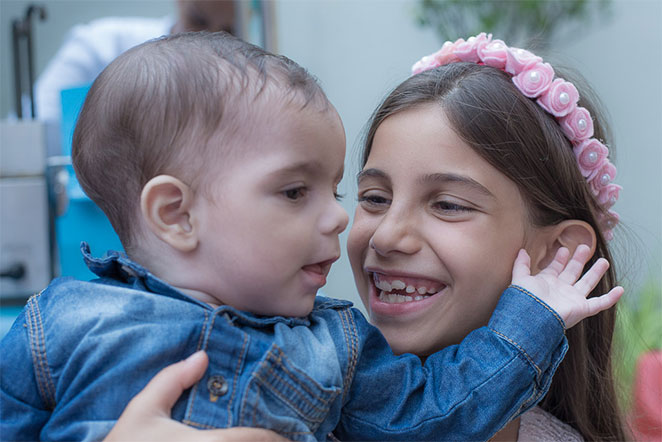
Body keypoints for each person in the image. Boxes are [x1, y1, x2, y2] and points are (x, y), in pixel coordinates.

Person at [0, 32, 621, 442]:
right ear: (175, 213)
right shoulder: (55, 326)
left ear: (555, 252)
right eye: (371, 196)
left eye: (449, 203)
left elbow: (437, 413)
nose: (350, 222)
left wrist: (529, 321)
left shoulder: (341, 351)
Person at [34, 0, 236, 124]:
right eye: (198, 21)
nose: (209, 38)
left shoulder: (242, 77)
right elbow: (37, 123)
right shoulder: (99, 46)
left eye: (228, 31)